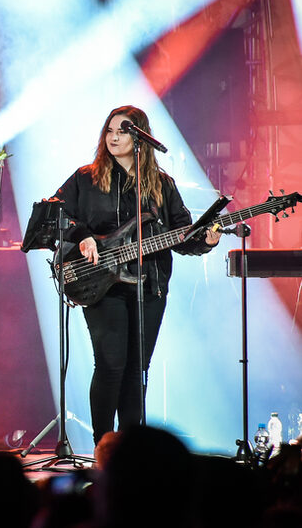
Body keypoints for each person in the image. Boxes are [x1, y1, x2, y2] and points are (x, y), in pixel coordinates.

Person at [53, 105, 218, 445]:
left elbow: (182, 236)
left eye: (123, 130)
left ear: (140, 136)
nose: (113, 137)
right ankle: (103, 445)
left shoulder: (161, 184)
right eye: (110, 130)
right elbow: (54, 212)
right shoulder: (86, 178)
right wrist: (82, 235)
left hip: (150, 285)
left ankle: (130, 451)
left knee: (135, 370)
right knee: (111, 364)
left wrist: (207, 240)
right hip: (99, 283)